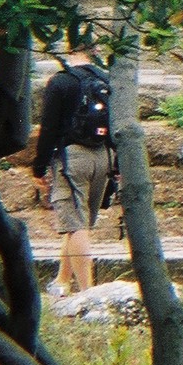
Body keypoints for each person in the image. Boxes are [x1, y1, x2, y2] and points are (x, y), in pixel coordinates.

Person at [32, 41, 112, 296]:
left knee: (76, 224)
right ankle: (61, 281)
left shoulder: (61, 81)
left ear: (68, 50)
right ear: (94, 52)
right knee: (79, 222)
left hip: (72, 158)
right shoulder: (106, 79)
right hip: (104, 156)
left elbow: (48, 128)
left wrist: (39, 167)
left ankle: (89, 294)